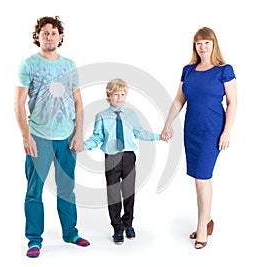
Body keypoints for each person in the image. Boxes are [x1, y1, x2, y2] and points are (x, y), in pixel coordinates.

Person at [14, 16, 90, 258]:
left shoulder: (69, 65)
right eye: (44, 33)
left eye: (53, 32)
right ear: (37, 36)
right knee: (34, 191)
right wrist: (26, 136)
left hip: (66, 136)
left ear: (61, 37)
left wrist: (79, 133)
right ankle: (34, 240)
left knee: (66, 188)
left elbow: (78, 101)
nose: (49, 36)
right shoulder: (28, 65)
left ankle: (71, 233)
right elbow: (18, 103)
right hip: (40, 136)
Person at [161, 27, 237, 249]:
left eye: (206, 42)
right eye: (198, 43)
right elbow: (179, 100)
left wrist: (227, 131)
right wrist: (168, 124)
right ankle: (208, 219)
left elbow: (232, 102)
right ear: (194, 46)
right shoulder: (189, 70)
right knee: (197, 177)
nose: (202, 47)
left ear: (214, 44)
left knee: (202, 178)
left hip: (212, 130)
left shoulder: (224, 70)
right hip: (191, 129)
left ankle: (202, 226)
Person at [84, 78, 162, 244]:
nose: (119, 98)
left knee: (129, 192)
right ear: (108, 95)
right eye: (116, 94)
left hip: (128, 156)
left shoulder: (131, 115)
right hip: (112, 157)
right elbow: (97, 137)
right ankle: (117, 228)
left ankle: (128, 224)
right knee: (113, 194)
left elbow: (140, 133)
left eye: (123, 94)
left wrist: (158, 136)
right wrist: (83, 146)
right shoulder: (102, 116)